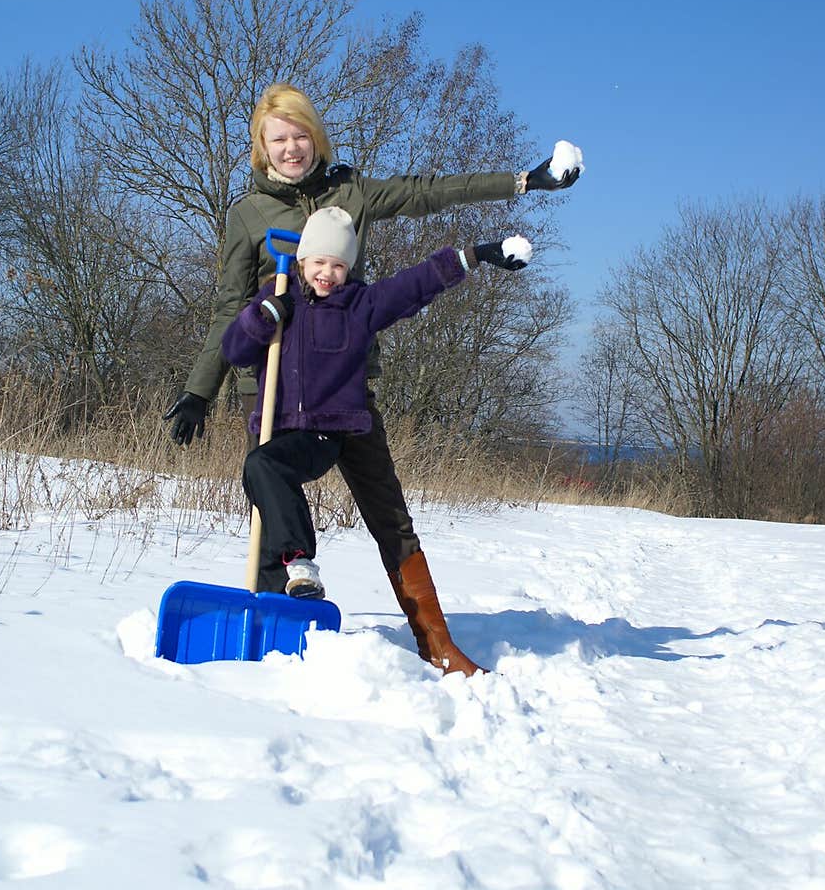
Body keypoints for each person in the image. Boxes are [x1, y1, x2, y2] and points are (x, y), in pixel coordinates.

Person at [164, 82, 580, 676]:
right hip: (277, 392)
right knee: (270, 498)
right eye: (277, 139)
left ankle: (436, 642)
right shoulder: (249, 215)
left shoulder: (349, 192)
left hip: (348, 392)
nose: (290, 148)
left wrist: (521, 182)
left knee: (389, 514)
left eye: (299, 135)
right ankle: (270, 643)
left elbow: (427, 194)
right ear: (261, 147)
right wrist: (198, 391)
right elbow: (229, 308)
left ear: (315, 136)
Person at [220, 206, 529, 677]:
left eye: (339, 265)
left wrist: (477, 255)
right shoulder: (277, 297)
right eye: (320, 262)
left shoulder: (359, 305)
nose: (328, 273)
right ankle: (297, 564)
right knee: (261, 468)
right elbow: (234, 351)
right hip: (284, 432)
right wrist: (263, 319)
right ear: (302, 260)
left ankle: (435, 641)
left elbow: (416, 282)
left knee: (390, 520)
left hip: (331, 431)